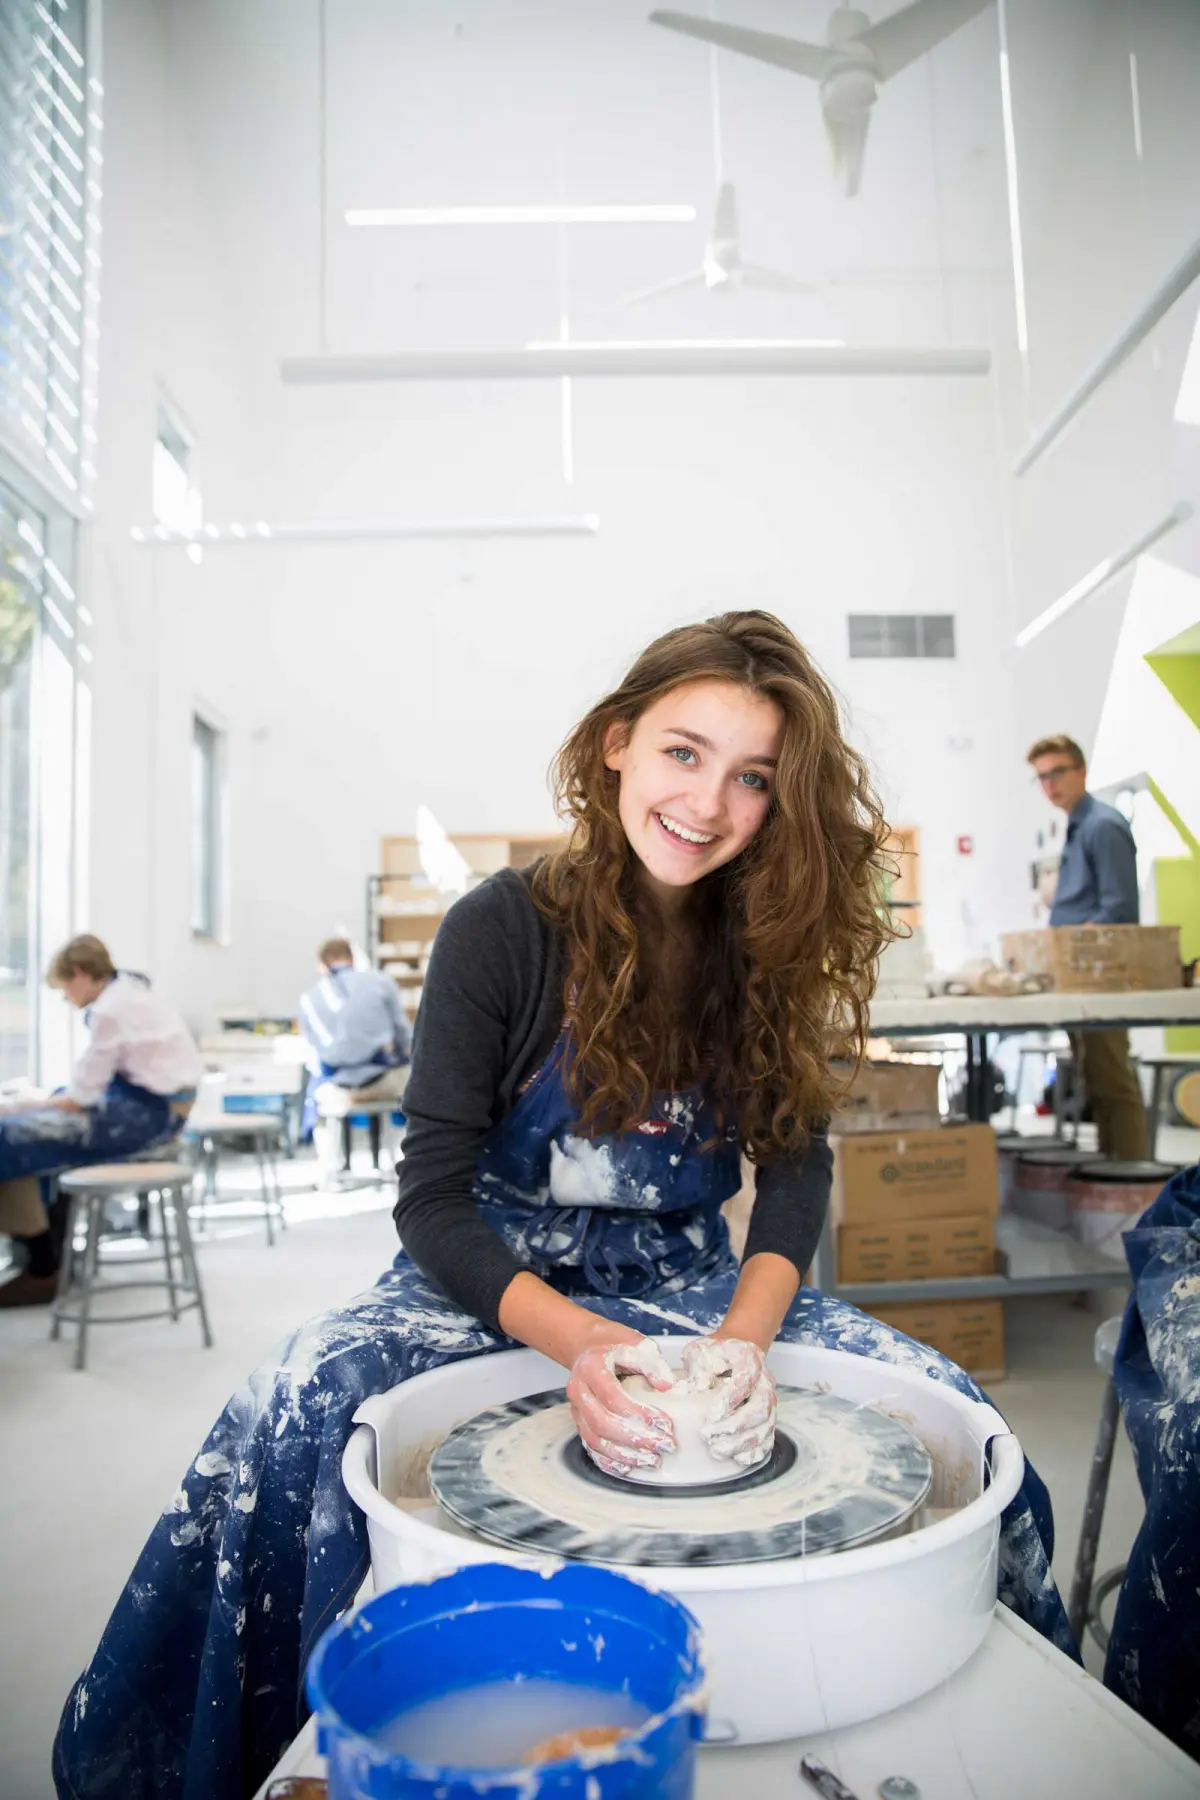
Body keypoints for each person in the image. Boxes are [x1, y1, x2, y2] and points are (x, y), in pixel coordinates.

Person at [55, 615, 1072, 1800]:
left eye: (752, 778)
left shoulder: (766, 939)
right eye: (683, 754)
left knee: (951, 1408)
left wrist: (744, 1338)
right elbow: (428, 1198)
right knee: (295, 1399)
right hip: (490, 1270)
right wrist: (583, 1344)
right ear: (614, 746)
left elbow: (795, 1169)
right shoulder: (501, 927)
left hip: (684, 1276)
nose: (709, 802)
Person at [0, 935, 201, 1307]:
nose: (66, 999)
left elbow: (81, 1098)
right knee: (36, 1138)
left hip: (148, 1115)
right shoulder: (128, 991)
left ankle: (43, 1268)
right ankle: (49, 1261)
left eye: (65, 989)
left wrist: (22, 1107)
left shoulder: (109, 1010)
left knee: (10, 1138)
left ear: (79, 974)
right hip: (161, 1106)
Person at [1027, 735, 1150, 1159]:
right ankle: (1114, 1172)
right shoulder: (1078, 827)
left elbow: (1118, 909)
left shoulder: (1102, 825)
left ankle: (1131, 1182)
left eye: (1058, 772)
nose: (1050, 784)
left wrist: (1073, 938)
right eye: (1042, 777)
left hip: (1100, 976)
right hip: (1079, 978)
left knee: (1113, 1083)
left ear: (1081, 770)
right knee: (1095, 1081)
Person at [299, 937, 412, 1168]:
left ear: (322, 965)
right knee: (414, 1081)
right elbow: (403, 1034)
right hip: (382, 1083)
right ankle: (401, 1159)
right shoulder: (381, 982)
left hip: (336, 1087)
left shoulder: (309, 997)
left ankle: (329, 1168)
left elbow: (311, 1047)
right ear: (352, 958)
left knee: (315, 1099)